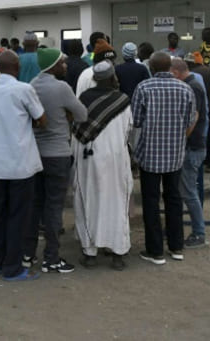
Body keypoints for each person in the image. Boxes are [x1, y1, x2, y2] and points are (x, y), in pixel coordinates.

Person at [0, 50, 46, 281]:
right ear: (17, 67)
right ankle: (13, 268)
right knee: (19, 217)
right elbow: (41, 118)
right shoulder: (24, 89)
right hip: (20, 163)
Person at [25, 48, 87, 274]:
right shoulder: (61, 88)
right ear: (51, 66)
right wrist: (66, 115)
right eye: (61, 63)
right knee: (53, 207)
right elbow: (82, 115)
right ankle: (51, 258)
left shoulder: (31, 85)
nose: (65, 66)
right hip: (58, 155)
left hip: (35, 155)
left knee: (35, 205)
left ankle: (28, 254)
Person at [131, 52, 196, 265]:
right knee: (173, 199)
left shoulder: (144, 88)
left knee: (151, 201)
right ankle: (176, 247)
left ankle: (155, 251)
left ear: (151, 67)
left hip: (150, 154)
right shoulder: (185, 88)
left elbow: (137, 120)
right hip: (175, 154)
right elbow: (189, 120)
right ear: (169, 66)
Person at [73, 60, 133, 270]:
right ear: (112, 78)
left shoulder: (82, 99)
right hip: (116, 158)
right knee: (116, 203)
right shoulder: (123, 100)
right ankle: (118, 254)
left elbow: (76, 128)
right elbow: (128, 130)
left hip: (87, 159)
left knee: (88, 201)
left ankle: (90, 254)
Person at [170, 58, 208, 248]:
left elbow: (194, 118)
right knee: (184, 190)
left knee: (188, 192)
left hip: (192, 147)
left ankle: (199, 233)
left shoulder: (193, 87)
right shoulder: (193, 84)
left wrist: (181, 139)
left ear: (176, 72)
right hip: (192, 145)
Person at [185, 52, 210, 169]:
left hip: (188, 110)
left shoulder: (183, 74)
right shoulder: (207, 71)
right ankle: (209, 161)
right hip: (209, 109)